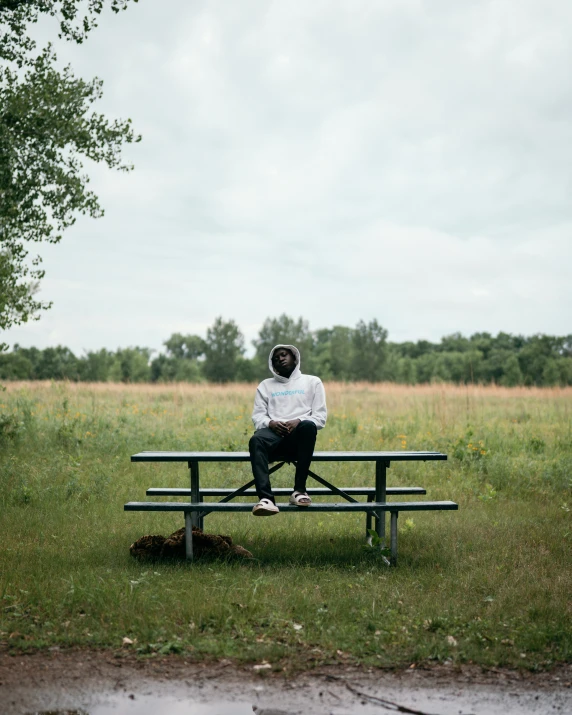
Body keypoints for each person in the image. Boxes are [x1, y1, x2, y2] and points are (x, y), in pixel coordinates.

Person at [249, 344, 327, 516]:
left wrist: (298, 421)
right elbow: (258, 417)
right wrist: (271, 424)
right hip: (273, 439)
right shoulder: (265, 385)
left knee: (308, 426)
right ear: (273, 365)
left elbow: (320, 417)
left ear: (294, 357)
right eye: (276, 359)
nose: (280, 359)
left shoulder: (312, 382)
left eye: (284, 355)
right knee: (256, 439)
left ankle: (299, 491)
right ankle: (266, 499)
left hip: (300, 441)